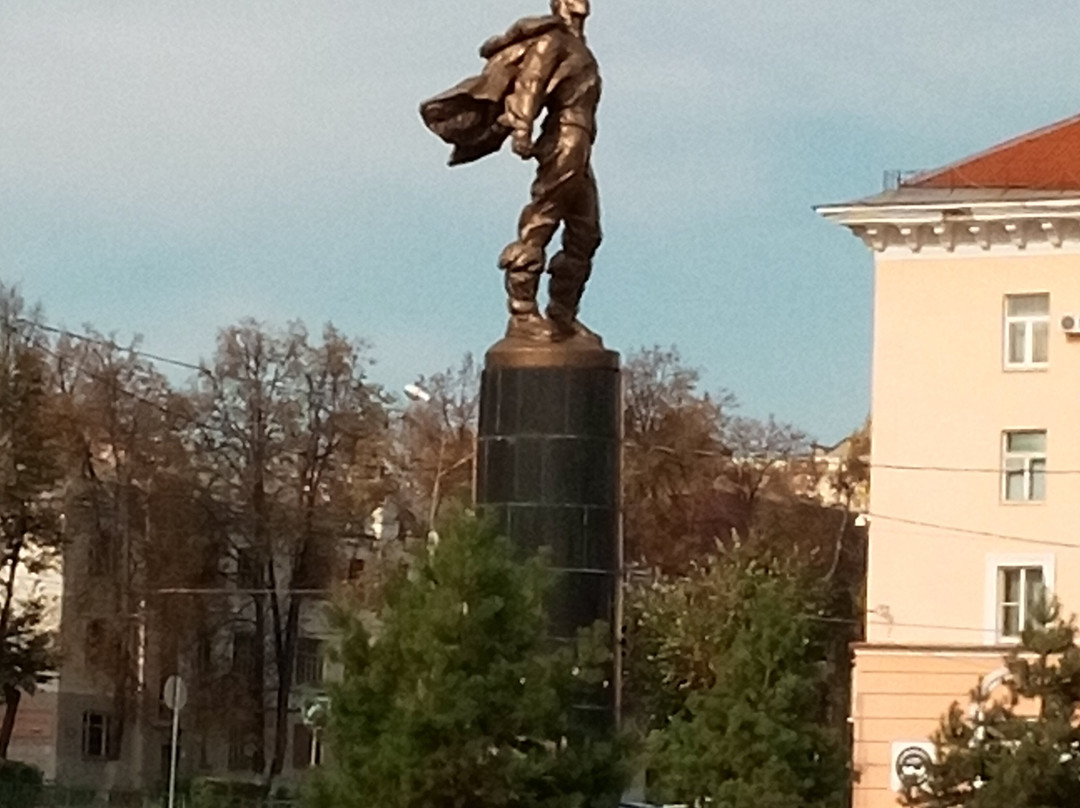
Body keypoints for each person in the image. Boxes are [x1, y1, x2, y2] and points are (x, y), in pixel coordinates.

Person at [420, 0, 602, 343]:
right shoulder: (554, 40)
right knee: (540, 221)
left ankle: (562, 315)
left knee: (585, 235)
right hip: (564, 140)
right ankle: (522, 313)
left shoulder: (578, 46)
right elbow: (531, 83)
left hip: (580, 145)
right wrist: (522, 128)